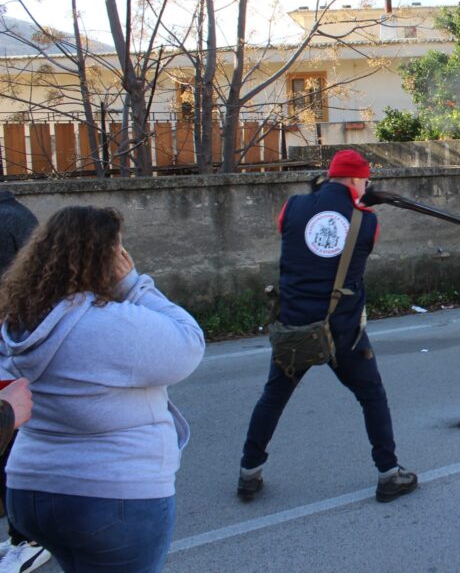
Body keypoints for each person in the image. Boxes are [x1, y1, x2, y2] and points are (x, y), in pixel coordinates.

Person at [0, 206, 205, 573]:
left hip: (30, 488)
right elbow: (189, 343)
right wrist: (134, 285)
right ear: (106, 261)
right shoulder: (109, 324)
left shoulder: (18, 321)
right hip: (111, 498)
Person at [237, 150, 418, 504]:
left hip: (294, 325)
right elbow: (363, 241)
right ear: (355, 180)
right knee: (372, 397)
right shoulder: (367, 221)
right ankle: (388, 474)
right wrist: (361, 203)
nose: (367, 186)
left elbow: (293, 228)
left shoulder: (292, 206)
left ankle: (249, 472)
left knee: (273, 398)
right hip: (342, 330)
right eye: (365, 181)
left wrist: (328, 197)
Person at [0, 193, 48, 573]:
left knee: (12, 448)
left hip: (10, 349)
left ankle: (28, 539)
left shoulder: (5, 221)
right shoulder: (15, 213)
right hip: (16, 345)